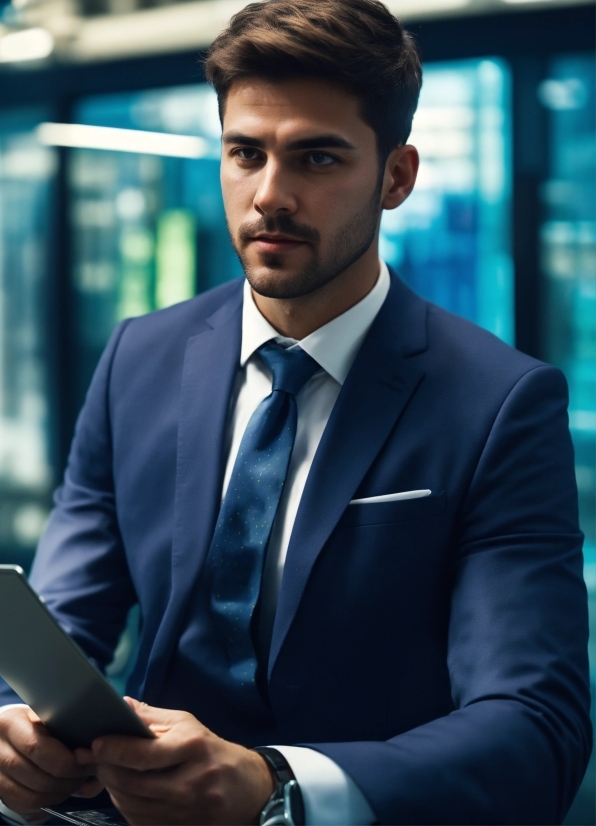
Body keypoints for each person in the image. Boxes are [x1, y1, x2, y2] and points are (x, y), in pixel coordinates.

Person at [0, 0, 591, 824]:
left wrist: (279, 785)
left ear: (396, 176)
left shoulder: (501, 404)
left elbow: (535, 731)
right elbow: (62, 625)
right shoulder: (141, 356)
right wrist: (14, 729)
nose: (268, 196)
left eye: (316, 159)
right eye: (246, 153)